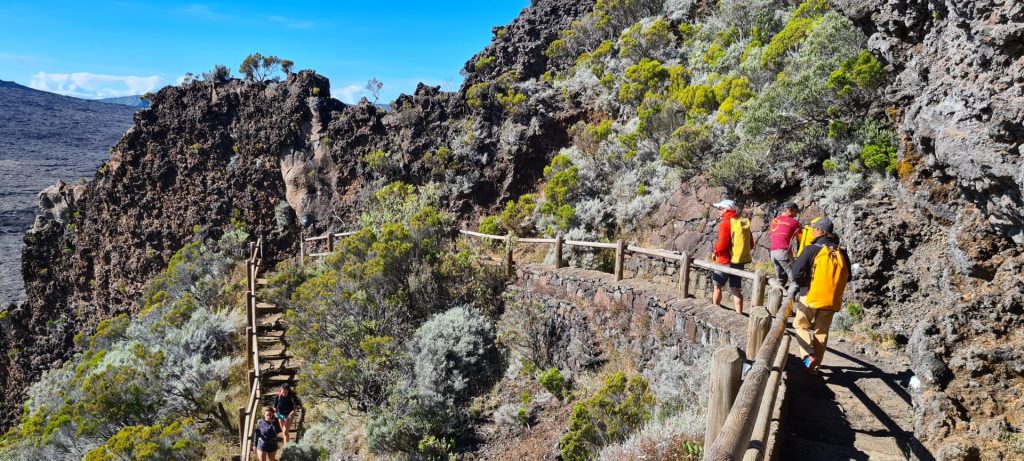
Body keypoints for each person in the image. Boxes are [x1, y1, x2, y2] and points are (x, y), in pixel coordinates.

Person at [789, 218, 851, 375]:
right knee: (821, 332)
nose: (813, 231)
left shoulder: (811, 249)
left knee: (800, 325)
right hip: (830, 301)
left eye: (815, 228)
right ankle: (814, 369)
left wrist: (805, 285)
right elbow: (848, 277)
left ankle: (808, 356)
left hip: (809, 297)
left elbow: (796, 272)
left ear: (821, 231)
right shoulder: (841, 252)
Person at [711, 199, 751, 314]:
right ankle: (739, 314)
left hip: (724, 261)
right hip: (738, 261)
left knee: (717, 286)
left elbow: (722, 244)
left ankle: (715, 311)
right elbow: (751, 244)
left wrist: (715, 251)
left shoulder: (725, 223)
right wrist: (738, 253)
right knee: (736, 290)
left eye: (720, 208)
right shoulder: (742, 222)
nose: (718, 211)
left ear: (726, 209)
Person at [768, 201, 801, 288]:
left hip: (773, 253)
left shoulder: (774, 220)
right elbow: (801, 238)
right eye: (795, 212)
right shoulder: (793, 222)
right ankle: (791, 300)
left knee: (780, 280)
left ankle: (776, 300)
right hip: (783, 252)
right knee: (795, 278)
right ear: (789, 210)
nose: (796, 215)